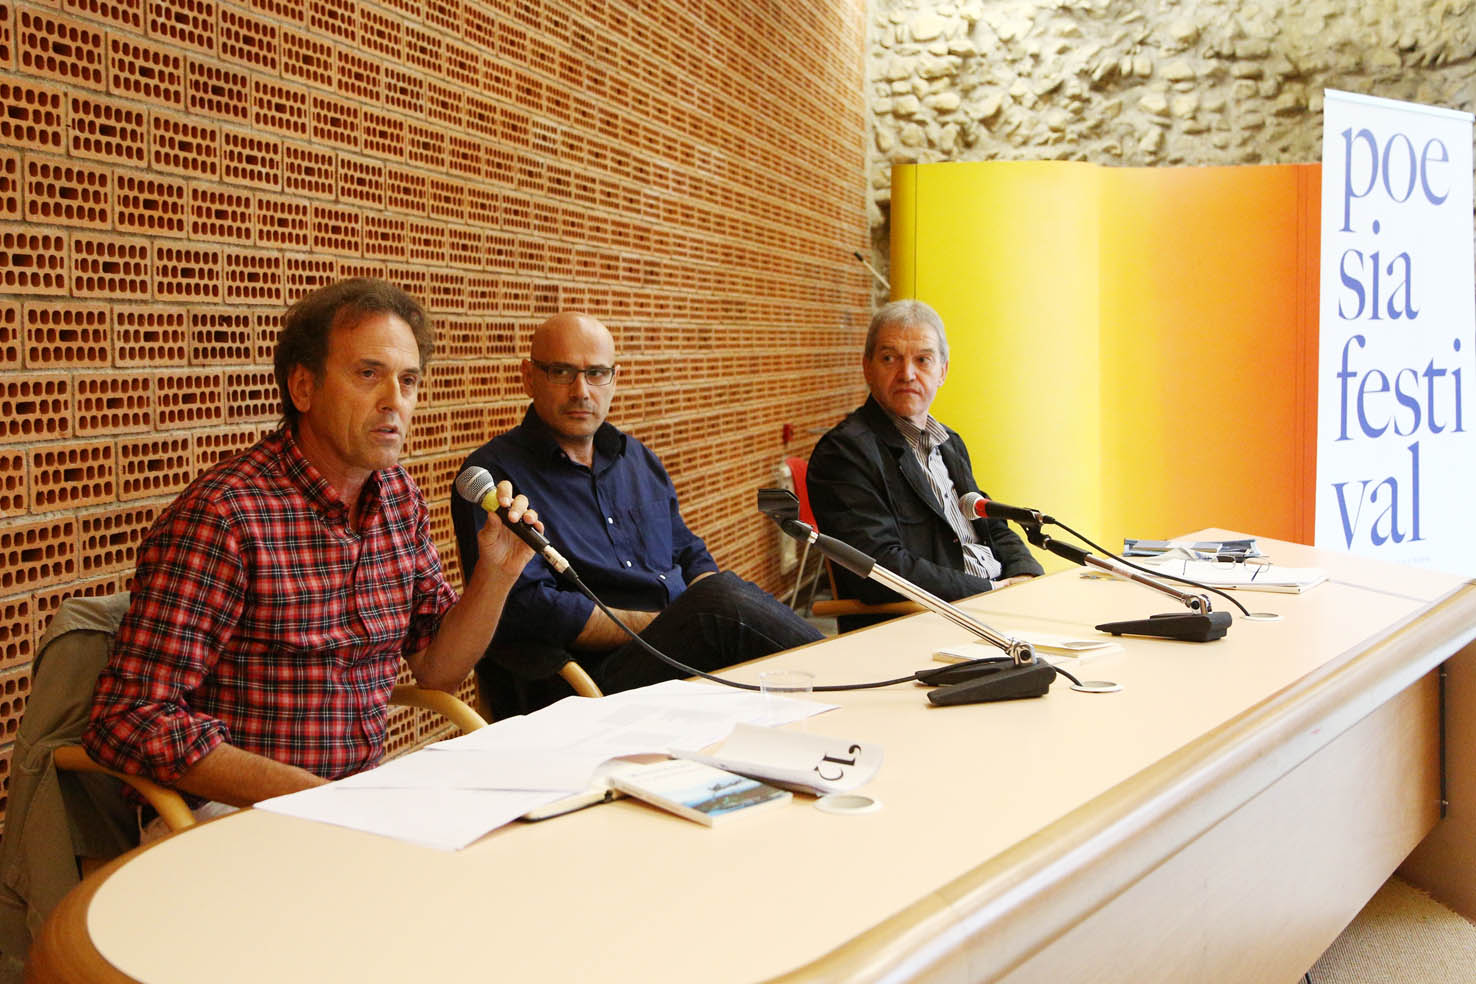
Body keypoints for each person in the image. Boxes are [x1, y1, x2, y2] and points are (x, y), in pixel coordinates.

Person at [82, 279, 541, 820]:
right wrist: (314, 798)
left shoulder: (398, 499)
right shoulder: (226, 514)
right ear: (303, 388)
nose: (395, 400)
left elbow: (437, 669)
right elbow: (129, 717)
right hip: (230, 816)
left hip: (353, 806)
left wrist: (498, 571)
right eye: (368, 374)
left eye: (409, 380)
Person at [452, 312, 822, 713]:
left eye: (596, 373)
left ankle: (839, 690)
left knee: (728, 607)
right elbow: (532, 609)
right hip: (583, 686)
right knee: (722, 607)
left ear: (614, 379)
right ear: (528, 377)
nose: (581, 390)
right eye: (561, 372)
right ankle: (847, 679)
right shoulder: (497, 477)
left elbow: (687, 551)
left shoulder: (637, 460)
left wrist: (693, 617)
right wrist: (678, 620)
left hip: (681, 655)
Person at [806, 299, 1043, 630]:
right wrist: (990, 591)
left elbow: (991, 525)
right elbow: (880, 569)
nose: (907, 373)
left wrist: (1025, 573)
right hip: (931, 623)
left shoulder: (949, 443)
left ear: (942, 371)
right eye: (890, 358)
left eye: (923, 360)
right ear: (867, 368)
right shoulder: (845, 453)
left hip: (994, 609)